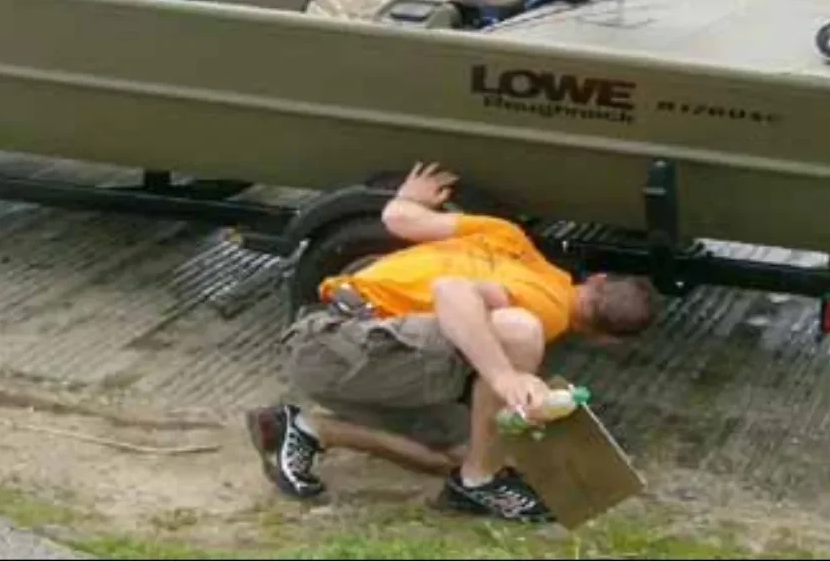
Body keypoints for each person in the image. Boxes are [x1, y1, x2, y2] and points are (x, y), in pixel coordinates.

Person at [245, 162, 660, 522]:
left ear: (596, 279)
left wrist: (409, 198)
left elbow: (399, 220)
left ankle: (305, 429)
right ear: (605, 340)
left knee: (467, 448)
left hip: (332, 338)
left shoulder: (510, 236)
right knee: (519, 331)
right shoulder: (544, 312)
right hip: (338, 346)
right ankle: (481, 481)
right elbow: (452, 291)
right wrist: (505, 378)